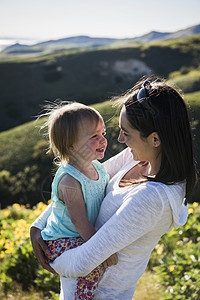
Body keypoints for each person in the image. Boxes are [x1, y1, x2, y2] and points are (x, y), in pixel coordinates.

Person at [30, 78, 197, 300]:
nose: (119, 139)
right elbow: (78, 180)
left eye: (126, 133)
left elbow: (82, 263)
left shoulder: (153, 197)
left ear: (155, 139)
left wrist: (49, 256)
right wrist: (38, 226)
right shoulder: (137, 156)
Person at [33, 102, 118, 300]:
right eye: (94, 137)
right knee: (92, 263)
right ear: (71, 146)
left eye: (103, 133)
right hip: (59, 241)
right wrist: (102, 250)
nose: (103, 140)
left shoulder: (98, 168)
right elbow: (80, 221)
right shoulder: (69, 180)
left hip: (80, 235)